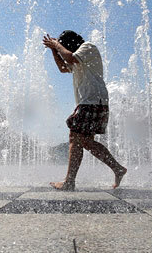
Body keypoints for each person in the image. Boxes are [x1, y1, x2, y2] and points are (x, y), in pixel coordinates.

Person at [42, 30, 126, 191]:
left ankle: (69, 182)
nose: (62, 48)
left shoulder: (88, 47)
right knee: (83, 141)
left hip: (93, 101)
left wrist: (56, 45)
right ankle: (116, 169)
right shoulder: (77, 57)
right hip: (91, 101)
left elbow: (70, 57)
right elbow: (63, 68)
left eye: (63, 45)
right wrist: (54, 50)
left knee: (76, 138)